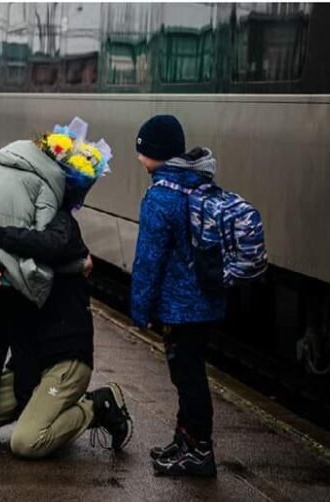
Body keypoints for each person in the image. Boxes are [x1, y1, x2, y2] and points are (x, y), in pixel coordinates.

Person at [0, 193, 132, 457]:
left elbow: (53, 246)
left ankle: (97, 406)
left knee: (26, 443)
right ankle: (40, 408)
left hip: (65, 360)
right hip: (27, 366)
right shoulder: (8, 231)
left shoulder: (58, 230)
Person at [131, 114, 225, 478]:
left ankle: (200, 451)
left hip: (180, 309)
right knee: (189, 376)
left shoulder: (161, 196)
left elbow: (148, 261)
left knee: (188, 379)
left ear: (155, 154)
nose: (139, 159)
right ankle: (184, 441)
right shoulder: (198, 184)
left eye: (141, 151)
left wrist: (140, 311)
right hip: (204, 303)